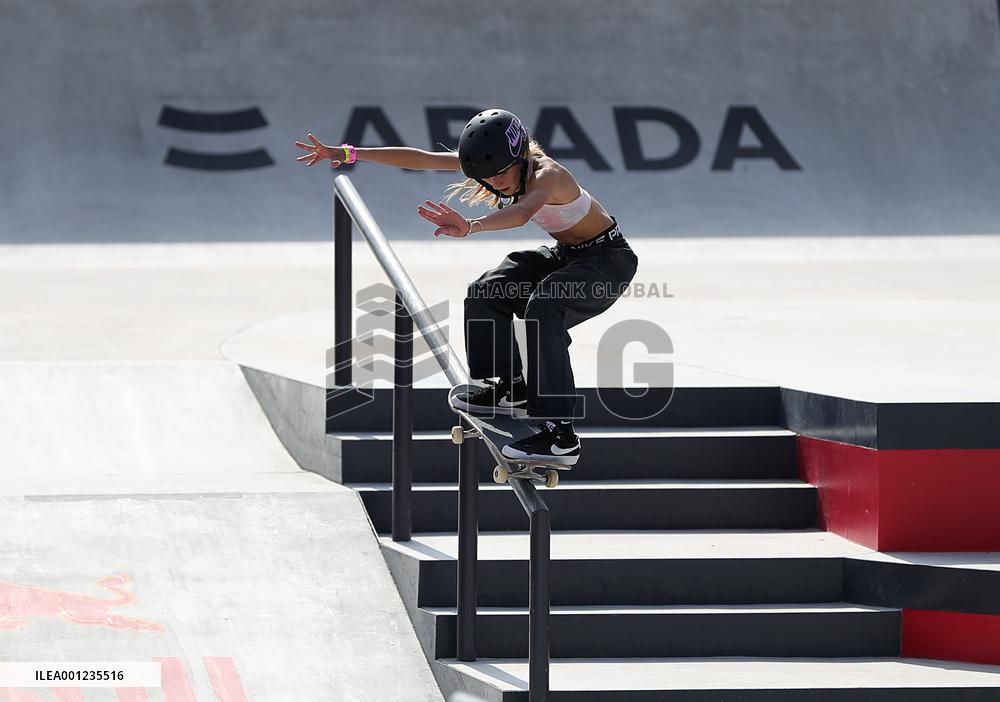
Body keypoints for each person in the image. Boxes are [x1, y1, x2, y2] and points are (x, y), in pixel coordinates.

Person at [295, 108, 637, 466]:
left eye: (501, 173)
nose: (496, 183)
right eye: (488, 178)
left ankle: (560, 435)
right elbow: (421, 159)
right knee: (487, 290)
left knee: (545, 308)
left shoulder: (547, 174)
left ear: (520, 156)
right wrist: (348, 153)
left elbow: (522, 214)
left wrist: (472, 226)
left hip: (608, 262)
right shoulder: (496, 164)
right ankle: (511, 388)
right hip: (568, 255)